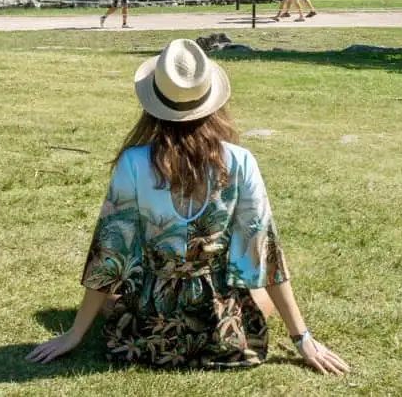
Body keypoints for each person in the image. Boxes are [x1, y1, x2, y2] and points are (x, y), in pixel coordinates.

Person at [27, 39, 349, 373]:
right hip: (220, 334)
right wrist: (302, 337)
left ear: (154, 103)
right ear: (211, 101)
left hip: (149, 331)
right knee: (255, 295)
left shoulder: (133, 162)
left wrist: (75, 334)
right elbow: (263, 254)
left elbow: (109, 255)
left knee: (113, 303)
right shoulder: (240, 161)